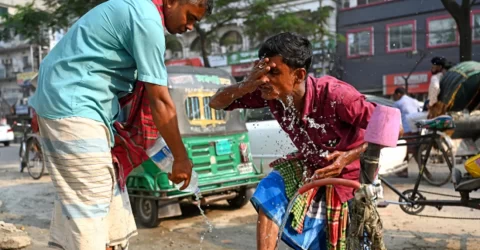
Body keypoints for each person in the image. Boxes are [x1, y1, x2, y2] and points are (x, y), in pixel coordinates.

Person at [28, 0, 213, 249]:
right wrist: (181, 158)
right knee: (91, 208)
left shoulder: (137, 11)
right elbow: (160, 100)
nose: (190, 26)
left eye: (195, 22)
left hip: (74, 106)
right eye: (190, 16)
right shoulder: (147, 20)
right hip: (73, 107)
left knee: (104, 204)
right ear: (171, 2)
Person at [209, 32, 400, 250]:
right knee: (270, 189)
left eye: (273, 72)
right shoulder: (268, 93)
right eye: (260, 71)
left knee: (342, 243)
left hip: (349, 178)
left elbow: (394, 126)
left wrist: (348, 157)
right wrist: (246, 84)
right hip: (310, 166)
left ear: (298, 75)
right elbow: (216, 102)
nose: (264, 79)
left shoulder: (336, 96)